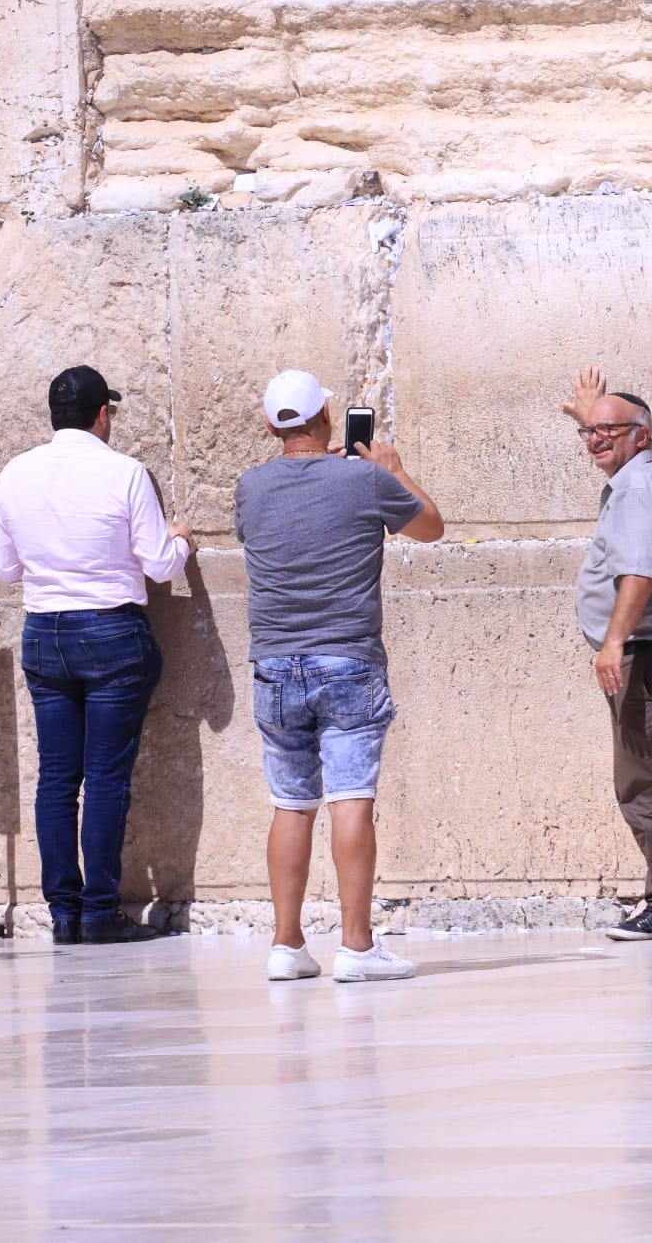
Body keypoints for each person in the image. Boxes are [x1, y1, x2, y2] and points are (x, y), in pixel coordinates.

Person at [236, 369, 443, 982]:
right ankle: (355, 947)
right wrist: (392, 469)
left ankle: (286, 944)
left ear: (272, 425)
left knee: (291, 803)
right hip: (347, 659)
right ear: (327, 412)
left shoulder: (250, 487)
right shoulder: (365, 479)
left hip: (274, 663)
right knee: (351, 799)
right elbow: (431, 526)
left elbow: (279, 517)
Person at [0, 366, 196, 946]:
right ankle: (100, 912)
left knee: (57, 778)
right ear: (103, 413)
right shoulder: (124, 472)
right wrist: (182, 540)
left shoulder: (14, 474)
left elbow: (3, 568)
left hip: (45, 636)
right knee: (105, 779)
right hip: (110, 636)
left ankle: (64, 915)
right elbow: (159, 565)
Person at [563, 364, 652, 940]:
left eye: (610, 431)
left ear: (642, 436)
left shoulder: (640, 489)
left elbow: (640, 572)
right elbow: (613, 428)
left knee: (646, 781)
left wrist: (614, 641)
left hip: (649, 658)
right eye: (588, 433)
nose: (596, 439)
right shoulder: (636, 478)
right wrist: (595, 413)